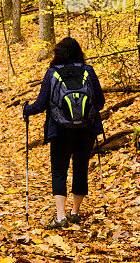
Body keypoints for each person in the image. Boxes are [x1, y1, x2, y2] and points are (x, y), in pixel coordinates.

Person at [23, 37, 105, 229]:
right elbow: (100, 102)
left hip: (59, 130)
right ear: (79, 52)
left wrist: (27, 109)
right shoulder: (89, 71)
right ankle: (75, 212)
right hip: (86, 130)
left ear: (58, 53)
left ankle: (61, 217)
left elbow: (41, 104)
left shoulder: (52, 73)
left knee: (59, 171)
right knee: (80, 168)